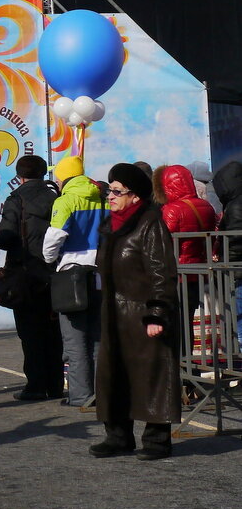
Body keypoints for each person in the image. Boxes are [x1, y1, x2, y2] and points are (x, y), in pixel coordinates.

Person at [92, 163, 181, 460]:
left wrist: (157, 313)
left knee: (152, 375)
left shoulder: (150, 222)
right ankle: (117, 437)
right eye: (109, 190)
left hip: (142, 315)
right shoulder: (110, 225)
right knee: (112, 375)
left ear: (135, 196)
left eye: (117, 191)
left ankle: (157, 441)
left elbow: (162, 272)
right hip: (114, 316)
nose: (110, 196)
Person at [0, 155, 64, 401]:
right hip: (54, 272)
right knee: (53, 330)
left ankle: (35, 385)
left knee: (30, 332)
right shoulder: (56, 197)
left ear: (19, 175)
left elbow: (4, 236)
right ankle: (56, 385)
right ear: (44, 172)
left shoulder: (16, 199)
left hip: (25, 272)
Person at [42, 156, 107, 409]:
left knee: (75, 339)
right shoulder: (103, 199)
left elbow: (53, 240)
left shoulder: (65, 201)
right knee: (98, 338)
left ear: (63, 177)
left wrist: (49, 259)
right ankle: (103, 392)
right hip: (100, 273)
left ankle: (80, 395)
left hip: (72, 275)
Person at [152, 164, 217, 319]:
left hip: (177, 272)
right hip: (197, 270)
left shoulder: (172, 209)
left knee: (175, 321)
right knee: (187, 317)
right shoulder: (206, 206)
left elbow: (163, 241)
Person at [212, 161, 242, 350]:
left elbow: (235, 240)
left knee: (240, 319)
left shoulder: (235, 205)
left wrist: (225, 259)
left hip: (238, 271)